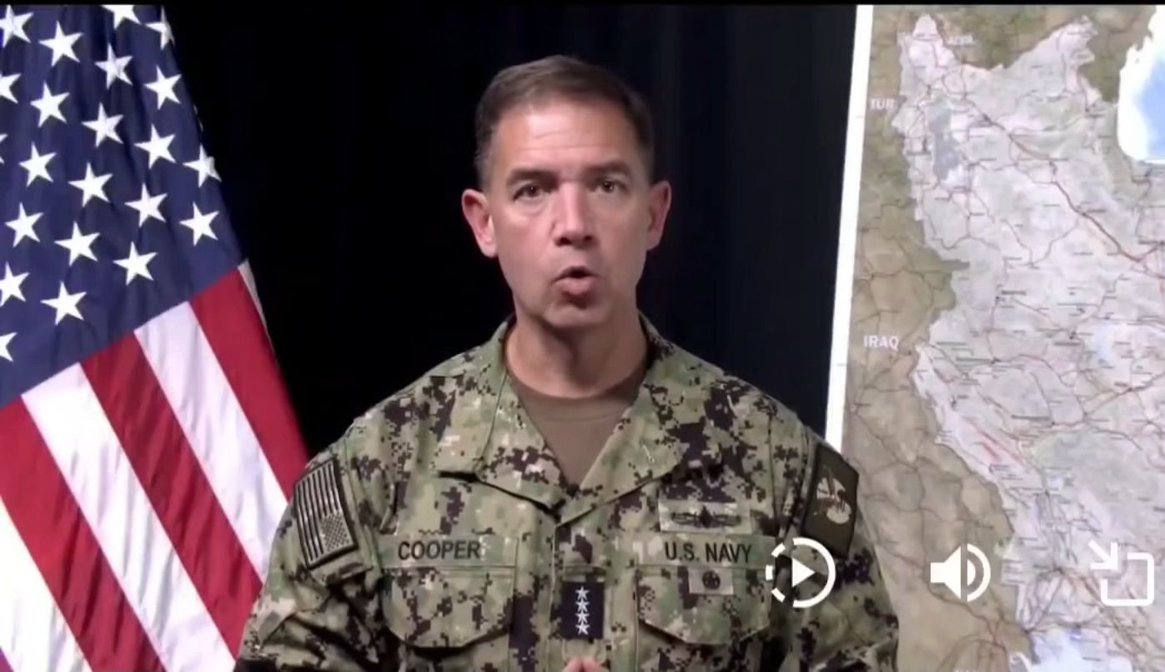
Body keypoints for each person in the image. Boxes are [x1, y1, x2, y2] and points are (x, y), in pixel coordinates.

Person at [234, 54, 899, 671]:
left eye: (607, 185)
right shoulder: (377, 469)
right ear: (484, 222)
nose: (573, 223)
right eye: (533, 190)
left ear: (654, 215)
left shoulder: (778, 467)